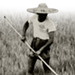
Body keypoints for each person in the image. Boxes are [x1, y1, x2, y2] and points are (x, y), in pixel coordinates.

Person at [21, 3, 58, 75]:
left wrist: (40, 50)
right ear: (38, 13)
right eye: (41, 14)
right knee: (29, 69)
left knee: (47, 69)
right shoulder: (34, 17)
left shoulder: (50, 24)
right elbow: (26, 24)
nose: (43, 16)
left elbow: (51, 40)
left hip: (44, 45)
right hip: (34, 43)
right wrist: (23, 34)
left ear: (47, 14)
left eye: (45, 14)